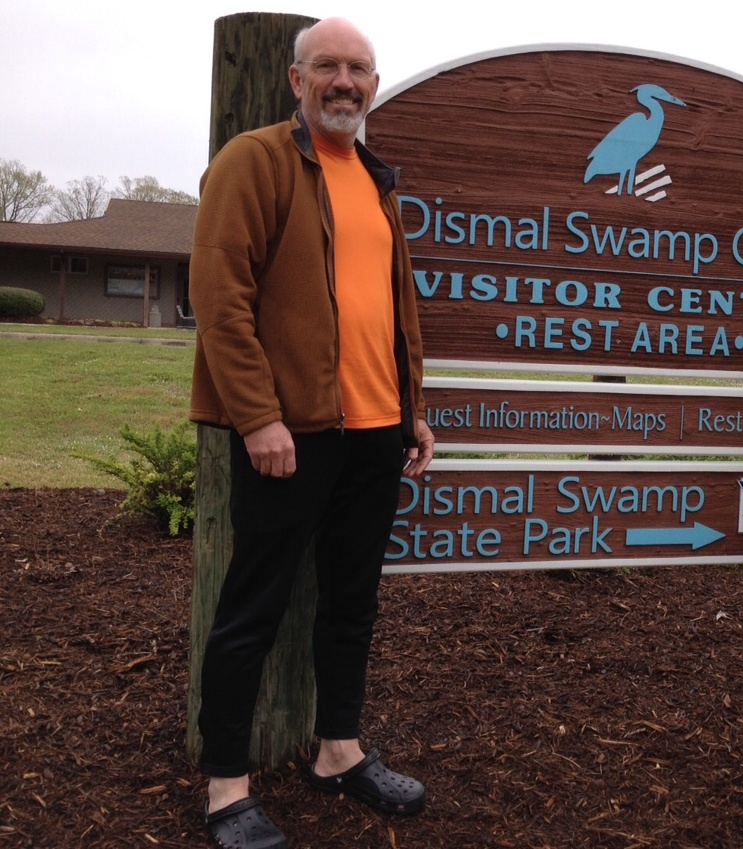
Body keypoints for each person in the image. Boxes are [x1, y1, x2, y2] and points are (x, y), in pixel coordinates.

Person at [188, 17, 434, 849]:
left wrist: (411, 409)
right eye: (327, 66)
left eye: (358, 69)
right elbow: (219, 298)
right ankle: (227, 787)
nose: (344, 82)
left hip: (374, 431)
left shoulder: (375, 178)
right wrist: (257, 414)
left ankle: (339, 748)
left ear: (373, 84)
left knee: (352, 602)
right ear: (296, 81)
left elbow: (390, 310)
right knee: (253, 606)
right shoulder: (254, 162)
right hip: (289, 432)